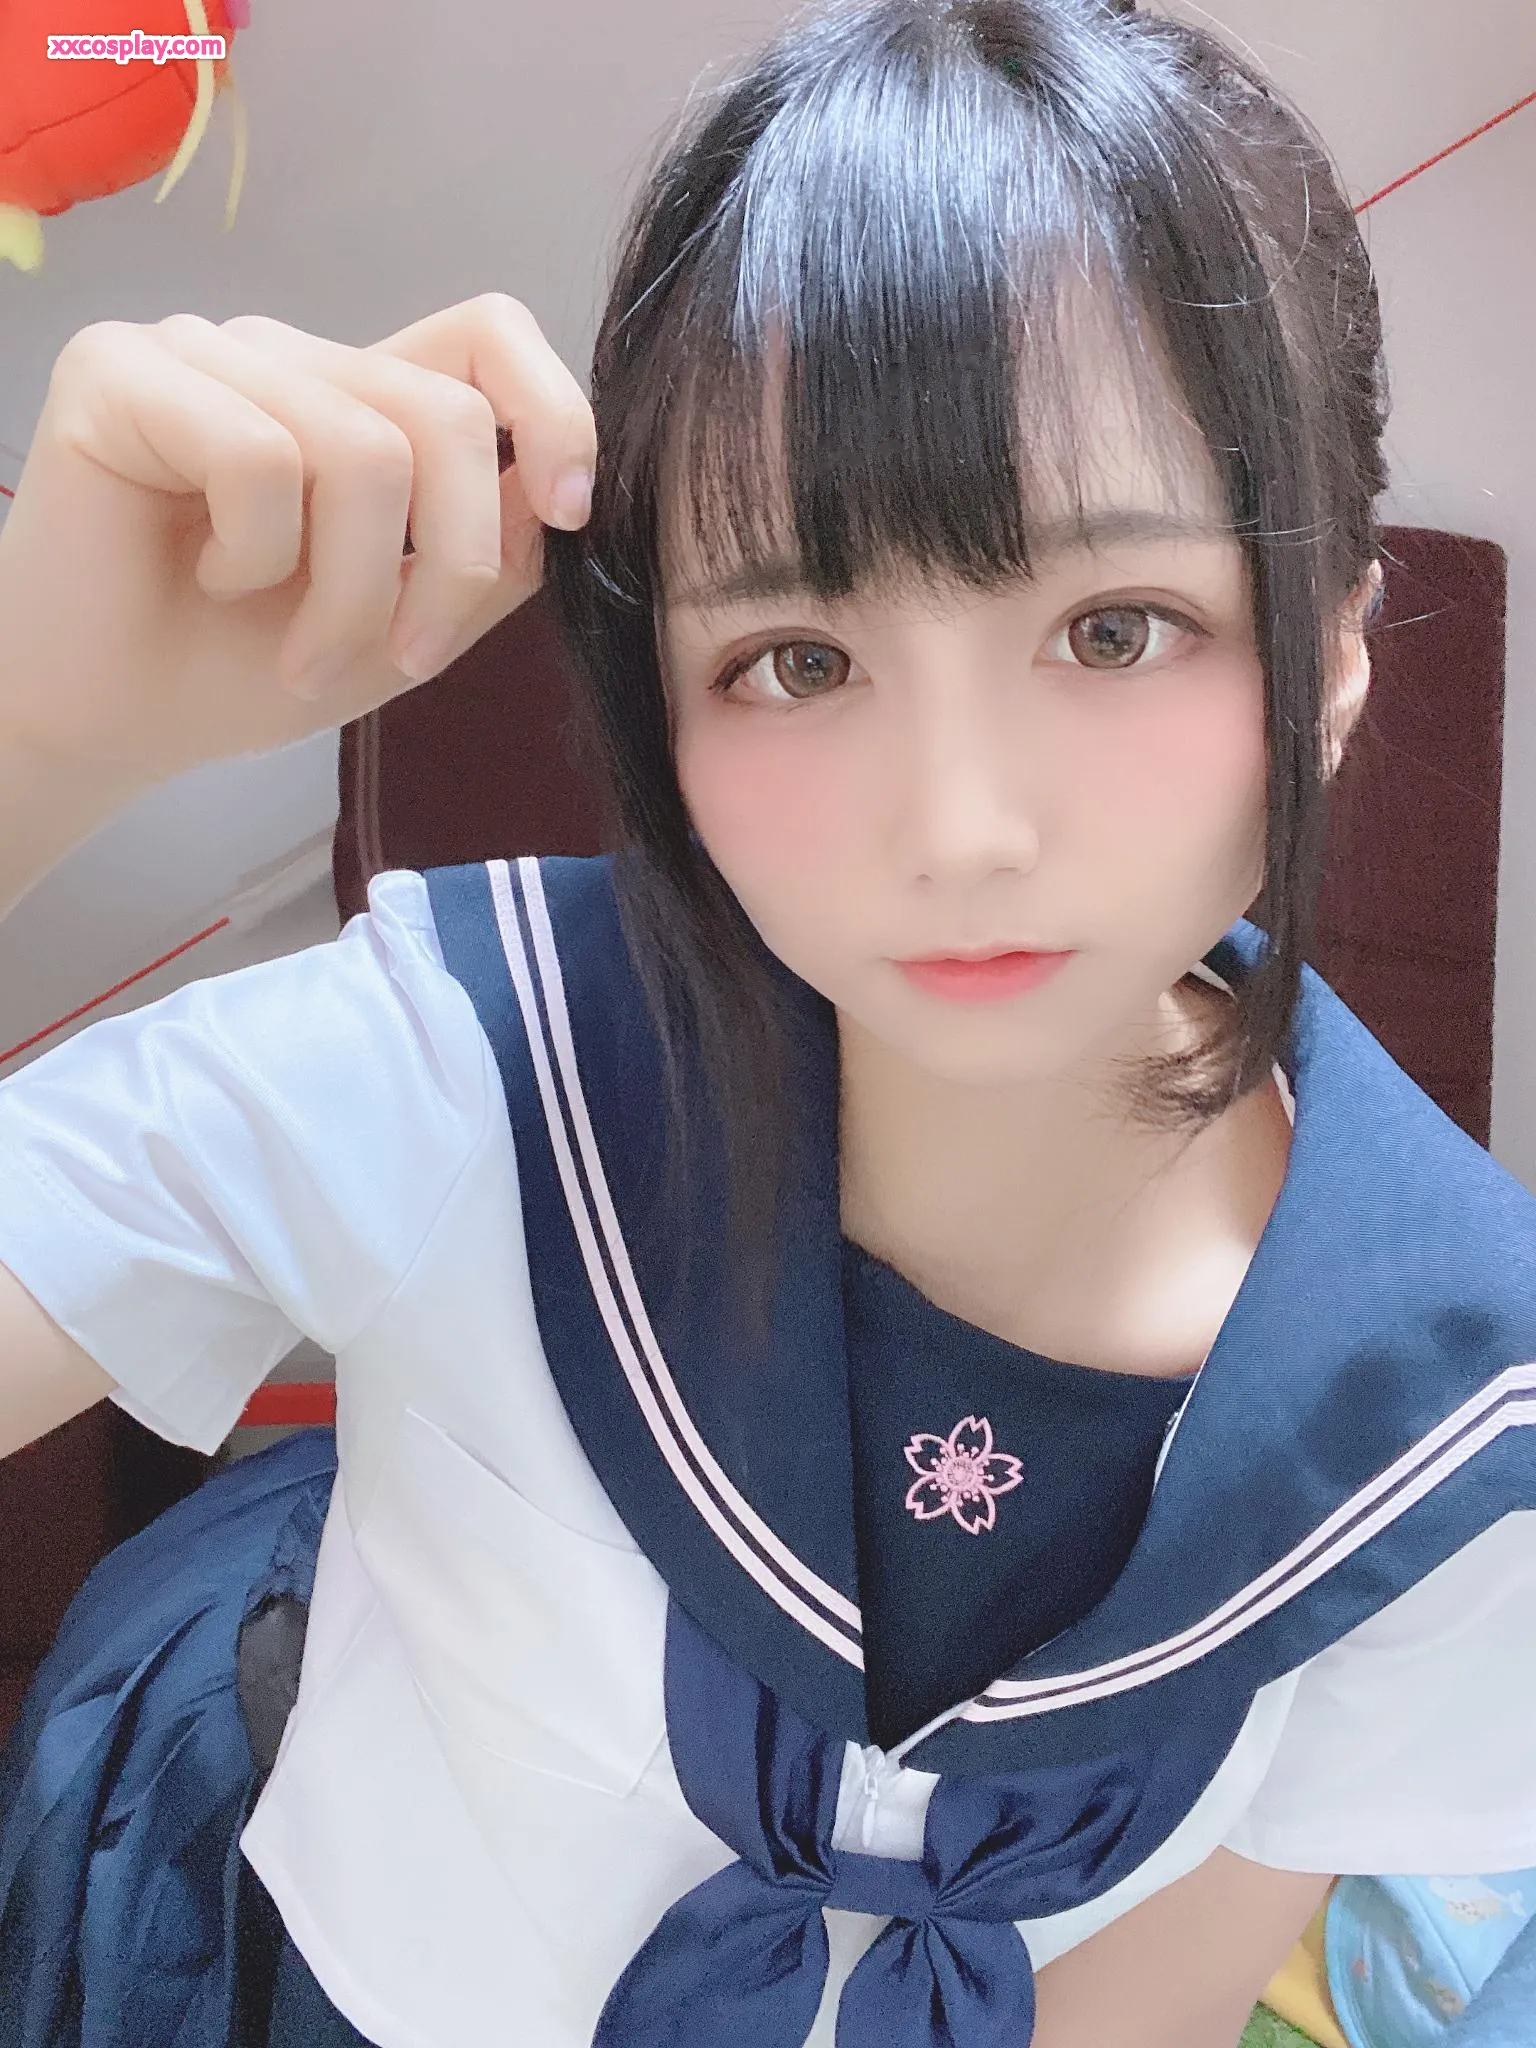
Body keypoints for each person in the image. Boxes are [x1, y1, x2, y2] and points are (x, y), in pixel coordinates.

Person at [0, 1, 1531, 2044]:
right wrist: (31, 734)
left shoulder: (1461, 1409)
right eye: (800, 658)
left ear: (1334, 650)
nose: (959, 831)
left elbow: (1155, 1987)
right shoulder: (464, 1063)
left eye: (1116, 627)